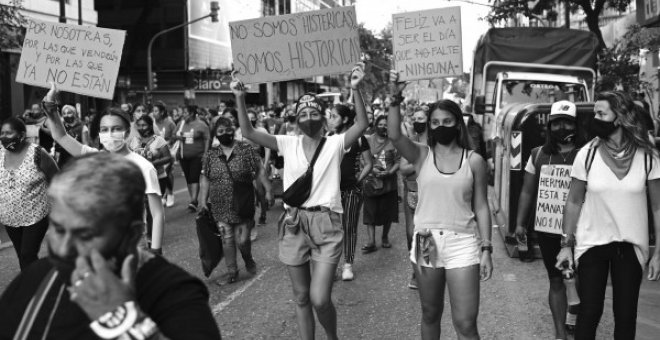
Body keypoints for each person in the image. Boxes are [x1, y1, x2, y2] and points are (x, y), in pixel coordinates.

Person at [0, 153, 222, 339]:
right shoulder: (37, 278)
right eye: (58, 229)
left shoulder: (174, 293)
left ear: (131, 234)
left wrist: (124, 321)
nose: (64, 248)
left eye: (85, 234)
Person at [230, 62, 368, 340]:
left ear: (324, 117)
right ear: (295, 119)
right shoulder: (286, 143)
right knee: (301, 297)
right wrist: (239, 98)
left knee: (320, 298)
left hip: (326, 224)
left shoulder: (336, 143)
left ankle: (332, 337)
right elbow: (248, 133)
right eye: (303, 113)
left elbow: (363, 124)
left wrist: (356, 89)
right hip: (293, 224)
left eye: (314, 112)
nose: (308, 117)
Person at [387, 72, 493, 340]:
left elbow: (481, 206)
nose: (440, 126)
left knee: (466, 323)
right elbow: (394, 135)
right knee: (430, 313)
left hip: (463, 245)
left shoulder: (475, 161)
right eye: (435, 122)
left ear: (458, 124)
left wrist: (487, 249)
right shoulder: (421, 155)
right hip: (426, 241)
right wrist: (395, 97)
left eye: (447, 121)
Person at [556, 91, 660, 340]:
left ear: (620, 117)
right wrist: (566, 245)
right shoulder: (587, 154)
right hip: (592, 243)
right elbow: (573, 201)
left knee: (626, 317)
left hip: (631, 246)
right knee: (589, 313)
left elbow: (657, 207)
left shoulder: (648, 157)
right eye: (595, 113)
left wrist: (659, 253)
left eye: (601, 113)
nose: (595, 118)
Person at [42, 83, 166, 255]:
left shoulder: (144, 166)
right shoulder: (94, 157)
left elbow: (157, 214)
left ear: (127, 131)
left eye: (116, 129)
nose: (110, 133)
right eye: (104, 130)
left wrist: (156, 252)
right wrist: (50, 102)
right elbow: (61, 136)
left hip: (133, 246)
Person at [515, 101, 580, 340]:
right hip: (548, 229)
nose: (562, 127)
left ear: (575, 124)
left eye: (567, 122)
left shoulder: (585, 154)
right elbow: (527, 191)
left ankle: (573, 315)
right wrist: (520, 223)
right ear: (550, 125)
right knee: (556, 281)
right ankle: (560, 333)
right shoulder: (538, 154)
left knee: (578, 278)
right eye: (557, 123)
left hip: (581, 229)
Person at [198, 117, 272, 284]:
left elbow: (259, 170)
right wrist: (202, 201)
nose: (226, 134)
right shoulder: (211, 155)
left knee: (243, 241)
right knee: (227, 239)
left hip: (243, 204)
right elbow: (205, 179)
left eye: (228, 129)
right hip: (220, 205)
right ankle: (232, 272)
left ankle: (248, 259)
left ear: (234, 129)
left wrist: (268, 191)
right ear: (216, 135)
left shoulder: (246, 149)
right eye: (221, 131)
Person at [0, 117, 58, 270]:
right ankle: (30, 283)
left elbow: (57, 179)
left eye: (9, 133)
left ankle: (33, 288)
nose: (4, 137)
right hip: (9, 216)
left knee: (28, 254)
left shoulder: (38, 153)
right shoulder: (0, 153)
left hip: (36, 215)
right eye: (2, 133)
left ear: (21, 135)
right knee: (21, 254)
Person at [327, 104, 373, 281]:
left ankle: (348, 265)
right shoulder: (328, 138)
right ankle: (330, 266)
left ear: (345, 119)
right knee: (331, 229)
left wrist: (358, 179)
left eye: (334, 116)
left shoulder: (359, 139)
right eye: (330, 116)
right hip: (331, 192)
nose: (330, 120)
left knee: (349, 227)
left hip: (352, 191)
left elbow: (369, 163)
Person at [400, 105, 430, 289]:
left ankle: (422, 273)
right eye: (415, 119)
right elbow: (403, 168)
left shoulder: (437, 143)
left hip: (431, 194)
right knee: (411, 234)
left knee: (425, 234)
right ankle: (415, 269)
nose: (418, 122)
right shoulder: (410, 142)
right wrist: (422, 160)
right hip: (411, 191)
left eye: (421, 119)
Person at [361, 115, 400, 254]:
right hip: (371, 183)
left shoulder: (394, 142)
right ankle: (371, 241)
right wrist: (371, 169)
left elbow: (398, 161)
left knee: (387, 213)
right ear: (375, 125)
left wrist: (389, 173)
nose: (383, 127)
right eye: (381, 124)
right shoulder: (367, 140)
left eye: (386, 125)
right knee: (370, 213)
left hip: (389, 184)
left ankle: (384, 237)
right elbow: (362, 159)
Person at [128, 114, 172, 203]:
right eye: (139, 125)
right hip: (140, 179)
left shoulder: (159, 140)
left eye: (144, 125)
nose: (141, 128)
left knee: (152, 208)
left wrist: (152, 164)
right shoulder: (134, 141)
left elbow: (168, 158)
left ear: (150, 126)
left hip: (158, 178)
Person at [175, 105, 211, 211]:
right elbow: (174, 135)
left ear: (191, 113)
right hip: (183, 155)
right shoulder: (181, 124)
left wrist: (205, 153)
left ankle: (194, 201)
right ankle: (192, 199)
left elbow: (207, 139)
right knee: (188, 178)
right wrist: (178, 137)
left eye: (185, 113)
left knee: (194, 176)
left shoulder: (201, 125)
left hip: (197, 155)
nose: (183, 115)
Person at [152, 101, 177, 207]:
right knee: (159, 174)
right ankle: (163, 195)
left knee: (167, 172)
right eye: (153, 111)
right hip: (156, 152)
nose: (154, 113)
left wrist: (168, 142)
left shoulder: (169, 123)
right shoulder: (152, 123)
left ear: (162, 112)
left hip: (168, 150)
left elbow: (175, 136)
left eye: (156, 111)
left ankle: (170, 194)